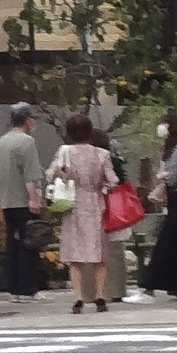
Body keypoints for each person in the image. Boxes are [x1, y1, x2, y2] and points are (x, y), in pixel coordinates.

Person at [47, 114, 118, 314]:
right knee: (99, 254)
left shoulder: (65, 152)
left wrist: (64, 174)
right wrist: (101, 186)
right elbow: (113, 180)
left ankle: (78, 297)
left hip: (72, 204)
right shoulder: (102, 154)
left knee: (75, 255)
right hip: (96, 204)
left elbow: (49, 174)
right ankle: (100, 296)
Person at [135, 112, 177, 300]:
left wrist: (162, 176)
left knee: (169, 241)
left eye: (165, 123)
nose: (162, 127)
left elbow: (172, 176)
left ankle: (151, 283)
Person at [0, 102, 46, 303]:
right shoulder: (26, 141)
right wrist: (34, 198)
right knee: (29, 244)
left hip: (7, 200)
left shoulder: (2, 141)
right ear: (27, 120)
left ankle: (14, 288)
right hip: (23, 200)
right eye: (33, 118)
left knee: (13, 244)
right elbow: (30, 175)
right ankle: (28, 289)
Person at [91, 129, 131, 303]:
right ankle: (117, 290)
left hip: (93, 208)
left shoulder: (86, 161)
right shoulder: (113, 160)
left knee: (95, 251)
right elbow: (121, 182)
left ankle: (94, 290)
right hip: (114, 209)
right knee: (115, 251)